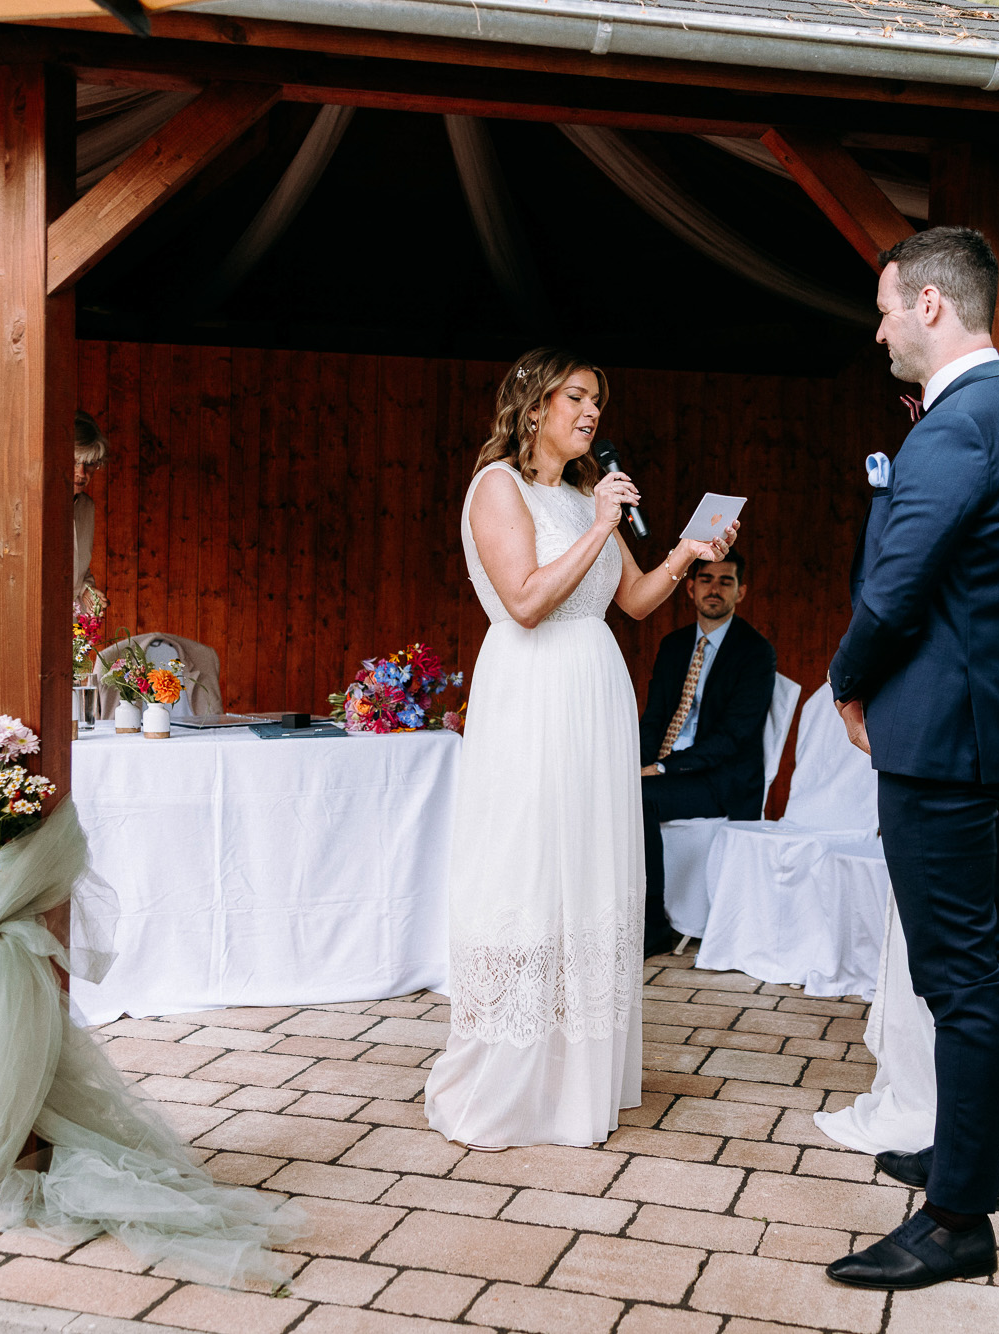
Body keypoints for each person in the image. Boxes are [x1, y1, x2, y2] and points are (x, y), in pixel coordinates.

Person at [425, 347, 739, 1150]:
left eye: (597, 399)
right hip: (532, 696)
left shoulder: (578, 494)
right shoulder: (497, 487)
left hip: (595, 694)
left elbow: (632, 600)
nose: (591, 412)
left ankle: (577, 1075)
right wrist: (600, 521)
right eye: (575, 397)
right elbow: (526, 600)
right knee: (530, 866)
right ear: (533, 407)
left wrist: (687, 553)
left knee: (591, 868)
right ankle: (509, 1075)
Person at [822, 227, 999, 1292]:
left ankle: (957, 1218)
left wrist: (844, 680)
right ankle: (966, 1156)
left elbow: (895, 587)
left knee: (961, 975)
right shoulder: (993, 411)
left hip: (943, 738)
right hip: (966, 732)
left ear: (929, 306)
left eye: (883, 308)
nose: (875, 328)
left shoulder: (963, 423)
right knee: (969, 967)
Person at [637, 551, 777, 956]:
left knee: (639, 799)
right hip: (668, 769)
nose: (714, 588)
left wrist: (662, 768)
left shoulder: (755, 652)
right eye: (706, 579)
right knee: (611, 789)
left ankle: (653, 924)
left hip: (721, 780)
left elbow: (733, 737)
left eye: (726, 581)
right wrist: (635, 763)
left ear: (741, 591)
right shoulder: (674, 645)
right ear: (690, 588)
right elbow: (656, 717)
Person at [74, 411, 109, 597]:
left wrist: (87, 591)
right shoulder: (32, 506)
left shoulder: (87, 508)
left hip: (71, 619)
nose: (81, 472)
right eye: (74, 462)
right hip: (22, 619)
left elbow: (77, 572)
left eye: (88, 463)